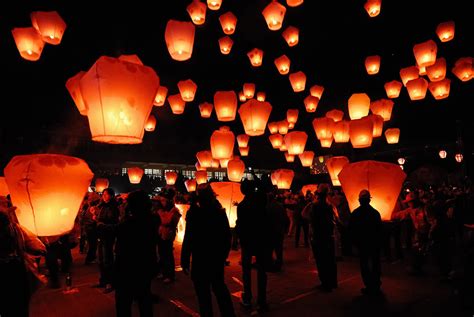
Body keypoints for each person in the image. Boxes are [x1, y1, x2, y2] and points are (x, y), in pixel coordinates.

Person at [181, 184, 235, 317]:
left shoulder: (194, 214)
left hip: (200, 258)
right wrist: (223, 255)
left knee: (203, 294)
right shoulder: (219, 212)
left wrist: (185, 258)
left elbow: (189, 238)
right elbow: (227, 237)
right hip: (215, 258)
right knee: (219, 288)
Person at [114, 189, 158, 317]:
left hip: (127, 267)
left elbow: (116, 230)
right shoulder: (152, 219)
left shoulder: (130, 223)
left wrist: (99, 225)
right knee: (144, 299)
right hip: (146, 265)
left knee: (123, 302)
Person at [0, 196, 46, 317]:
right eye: (4, 204)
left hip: (17, 268)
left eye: (6, 204)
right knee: (11, 305)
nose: (9, 207)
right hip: (6, 271)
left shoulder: (15, 226)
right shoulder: (7, 224)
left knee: (20, 303)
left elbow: (32, 243)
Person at [236, 180, 272, 310]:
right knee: (262, 271)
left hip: (247, 241)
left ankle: (247, 298)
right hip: (261, 240)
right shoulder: (261, 202)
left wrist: (239, 239)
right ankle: (262, 300)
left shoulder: (242, 206)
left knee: (246, 271)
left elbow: (240, 225)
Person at [349, 189, 383, 296]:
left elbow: (352, 230)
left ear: (359, 200)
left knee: (364, 265)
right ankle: (376, 284)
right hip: (374, 243)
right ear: (369, 200)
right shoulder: (375, 213)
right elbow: (379, 229)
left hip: (362, 244)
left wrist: (354, 243)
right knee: (375, 263)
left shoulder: (355, 213)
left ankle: (369, 285)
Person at [305, 183, 338, 292]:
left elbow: (305, 215)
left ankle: (325, 283)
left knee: (321, 260)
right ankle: (332, 282)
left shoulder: (315, 206)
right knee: (330, 260)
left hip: (319, 236)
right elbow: (335, 219)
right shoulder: (330, 205)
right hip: (329, 235)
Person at [95, 188, 120, 293]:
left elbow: (114, 223)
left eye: (106, 194)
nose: (104, 196)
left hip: (108, 236)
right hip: (101, 235)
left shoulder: (114, 207)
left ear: (111, 195)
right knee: (100, 259)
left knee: (108, 259)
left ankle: (110, 282)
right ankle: (103, 281)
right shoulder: (101, 206)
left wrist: (103, 224)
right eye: (103, 194)